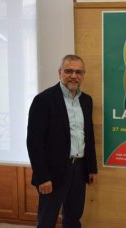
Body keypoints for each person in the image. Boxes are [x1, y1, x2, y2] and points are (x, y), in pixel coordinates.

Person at [27, 54, 98, 228]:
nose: (74, 75)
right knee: (47, 220)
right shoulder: (43, 100)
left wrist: (91, 168)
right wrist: (42, 177)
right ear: (60, 73)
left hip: (79, 170)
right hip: (52, 172)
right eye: (69, 71)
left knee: (73, 218)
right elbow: (34, 142)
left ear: (83, 75)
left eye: (78, 72)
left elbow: (87, 135)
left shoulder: (86, 101)